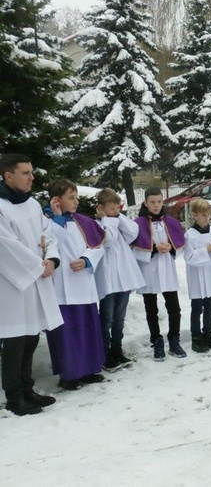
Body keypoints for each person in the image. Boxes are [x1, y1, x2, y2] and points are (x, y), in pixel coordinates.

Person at [0, 154, 63, 415]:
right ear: (8, 176)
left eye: (31, 172)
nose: (32, 177)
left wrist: (51, 259)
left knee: (30, 338)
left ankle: (28, 389)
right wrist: (39, 266)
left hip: (36, 280)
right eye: (25, 173)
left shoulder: (33, 205)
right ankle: (15, 398)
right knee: (15, 343)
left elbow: (48, 233)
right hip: (13, 286)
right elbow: (6, 245)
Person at [43, 179, 107, 390]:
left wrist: (86, 259)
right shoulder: (45, 220)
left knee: (87, 327)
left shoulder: (83, 221)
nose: (76, 201)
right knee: (67, 332)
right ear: (56, 199)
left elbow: (97, 246)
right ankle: (69, 374)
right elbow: (51, 243)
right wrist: (58, 219)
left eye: (76, 197)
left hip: (83, 283)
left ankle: (89, 369)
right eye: (71, 198)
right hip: (61, 285)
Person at [132, 187, 186, 360]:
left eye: (159, 201)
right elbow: (133, 249)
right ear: (145, 203)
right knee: (151, 309)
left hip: (167, 268)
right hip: (149, 269)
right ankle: (157, 341)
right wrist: (154, 249)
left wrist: (171, 248)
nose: (156, 205)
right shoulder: (138, 223)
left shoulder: (170, 221)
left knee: (174, 308)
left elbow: (180, 244)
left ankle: (174, 340)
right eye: (152, 202)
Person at [94, 188, 145, 371]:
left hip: (123, 277)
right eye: (112, 208)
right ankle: (105, 352)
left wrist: (117, 216)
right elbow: (107, 239)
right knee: (106, 318)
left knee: (119, 318)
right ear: (101, 208)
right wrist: (106, 219)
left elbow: (134, 231)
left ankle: (117, 348)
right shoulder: (98, 224)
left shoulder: (118, 221)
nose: (116, 211)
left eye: (118, 208)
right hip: (108, 279)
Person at [184, 198, 211, 353]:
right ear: (194, 215)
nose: (207, 217)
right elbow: (189, 257)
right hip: (196, 277)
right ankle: (196, 336)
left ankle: (208, 333)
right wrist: (206, 250)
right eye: (203, 215)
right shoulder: (190, 235)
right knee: (197, 308)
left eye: (208, 214)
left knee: (210, 306)